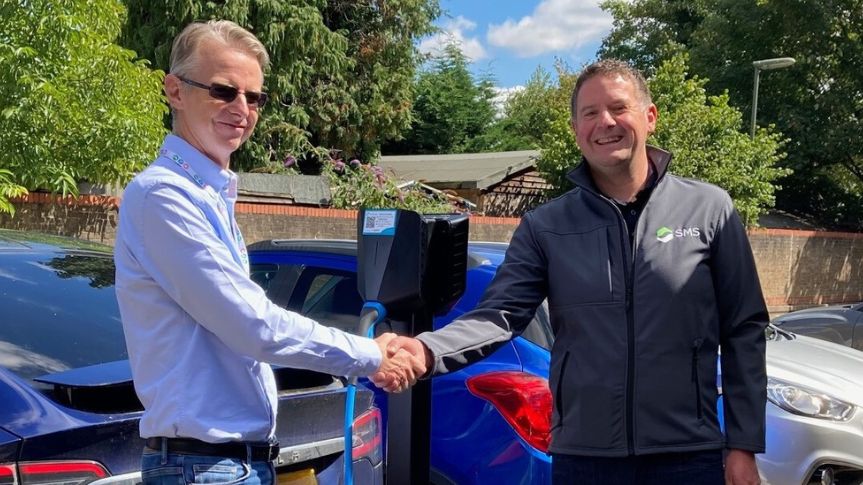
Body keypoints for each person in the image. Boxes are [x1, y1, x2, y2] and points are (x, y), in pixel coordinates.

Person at [375, 59, 767, 485]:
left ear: (649, 117)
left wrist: (743, 444)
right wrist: (428, 350)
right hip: (585, 457)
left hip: (688, 454)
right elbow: (497, 316)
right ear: (576, 128)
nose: (605, 122)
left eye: (618, 108)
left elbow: (744, 328)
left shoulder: (709, 210)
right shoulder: (547, 226)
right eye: (590, 113)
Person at [114, 20, 423, 485]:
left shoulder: (207, 195)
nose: (241, 108)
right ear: (175, 91)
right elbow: (252, 325)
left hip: (227, 464)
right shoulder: (164, 196)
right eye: (223, 91)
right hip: (204, 467)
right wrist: (371, 356)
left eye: (253, 97)